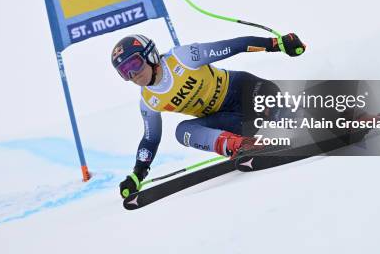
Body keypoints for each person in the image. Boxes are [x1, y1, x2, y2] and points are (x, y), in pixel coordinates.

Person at [112, 33, 306, 197]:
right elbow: (150, 139)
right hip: (232, 121)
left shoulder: (182, 57)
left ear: (150, 55)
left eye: (134, 65)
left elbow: (234, 46)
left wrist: (276, 44)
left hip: (246, 91)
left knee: (280, 111)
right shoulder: (148, 101)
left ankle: (307, 118)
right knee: (182, 131)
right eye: (124, 72)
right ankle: (237, 145)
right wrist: (137, 173)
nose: (133, 75)